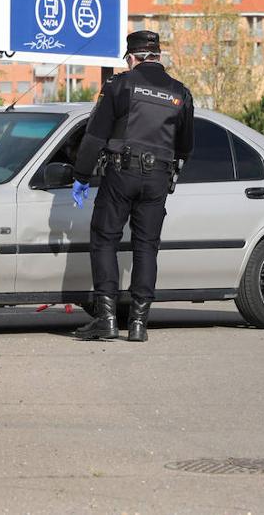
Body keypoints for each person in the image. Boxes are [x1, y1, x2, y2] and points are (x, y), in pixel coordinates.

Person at [70, 30, 194, 342]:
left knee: (104, 240)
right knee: (146, 247)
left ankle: (107, 319)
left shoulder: (119, 85)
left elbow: (95, 135)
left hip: (121, 172)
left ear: (131, 58)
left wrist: (82, 175)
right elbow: (185, 146)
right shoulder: (181, 93)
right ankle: (139, 324)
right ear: (159, 57)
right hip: (158, 178)